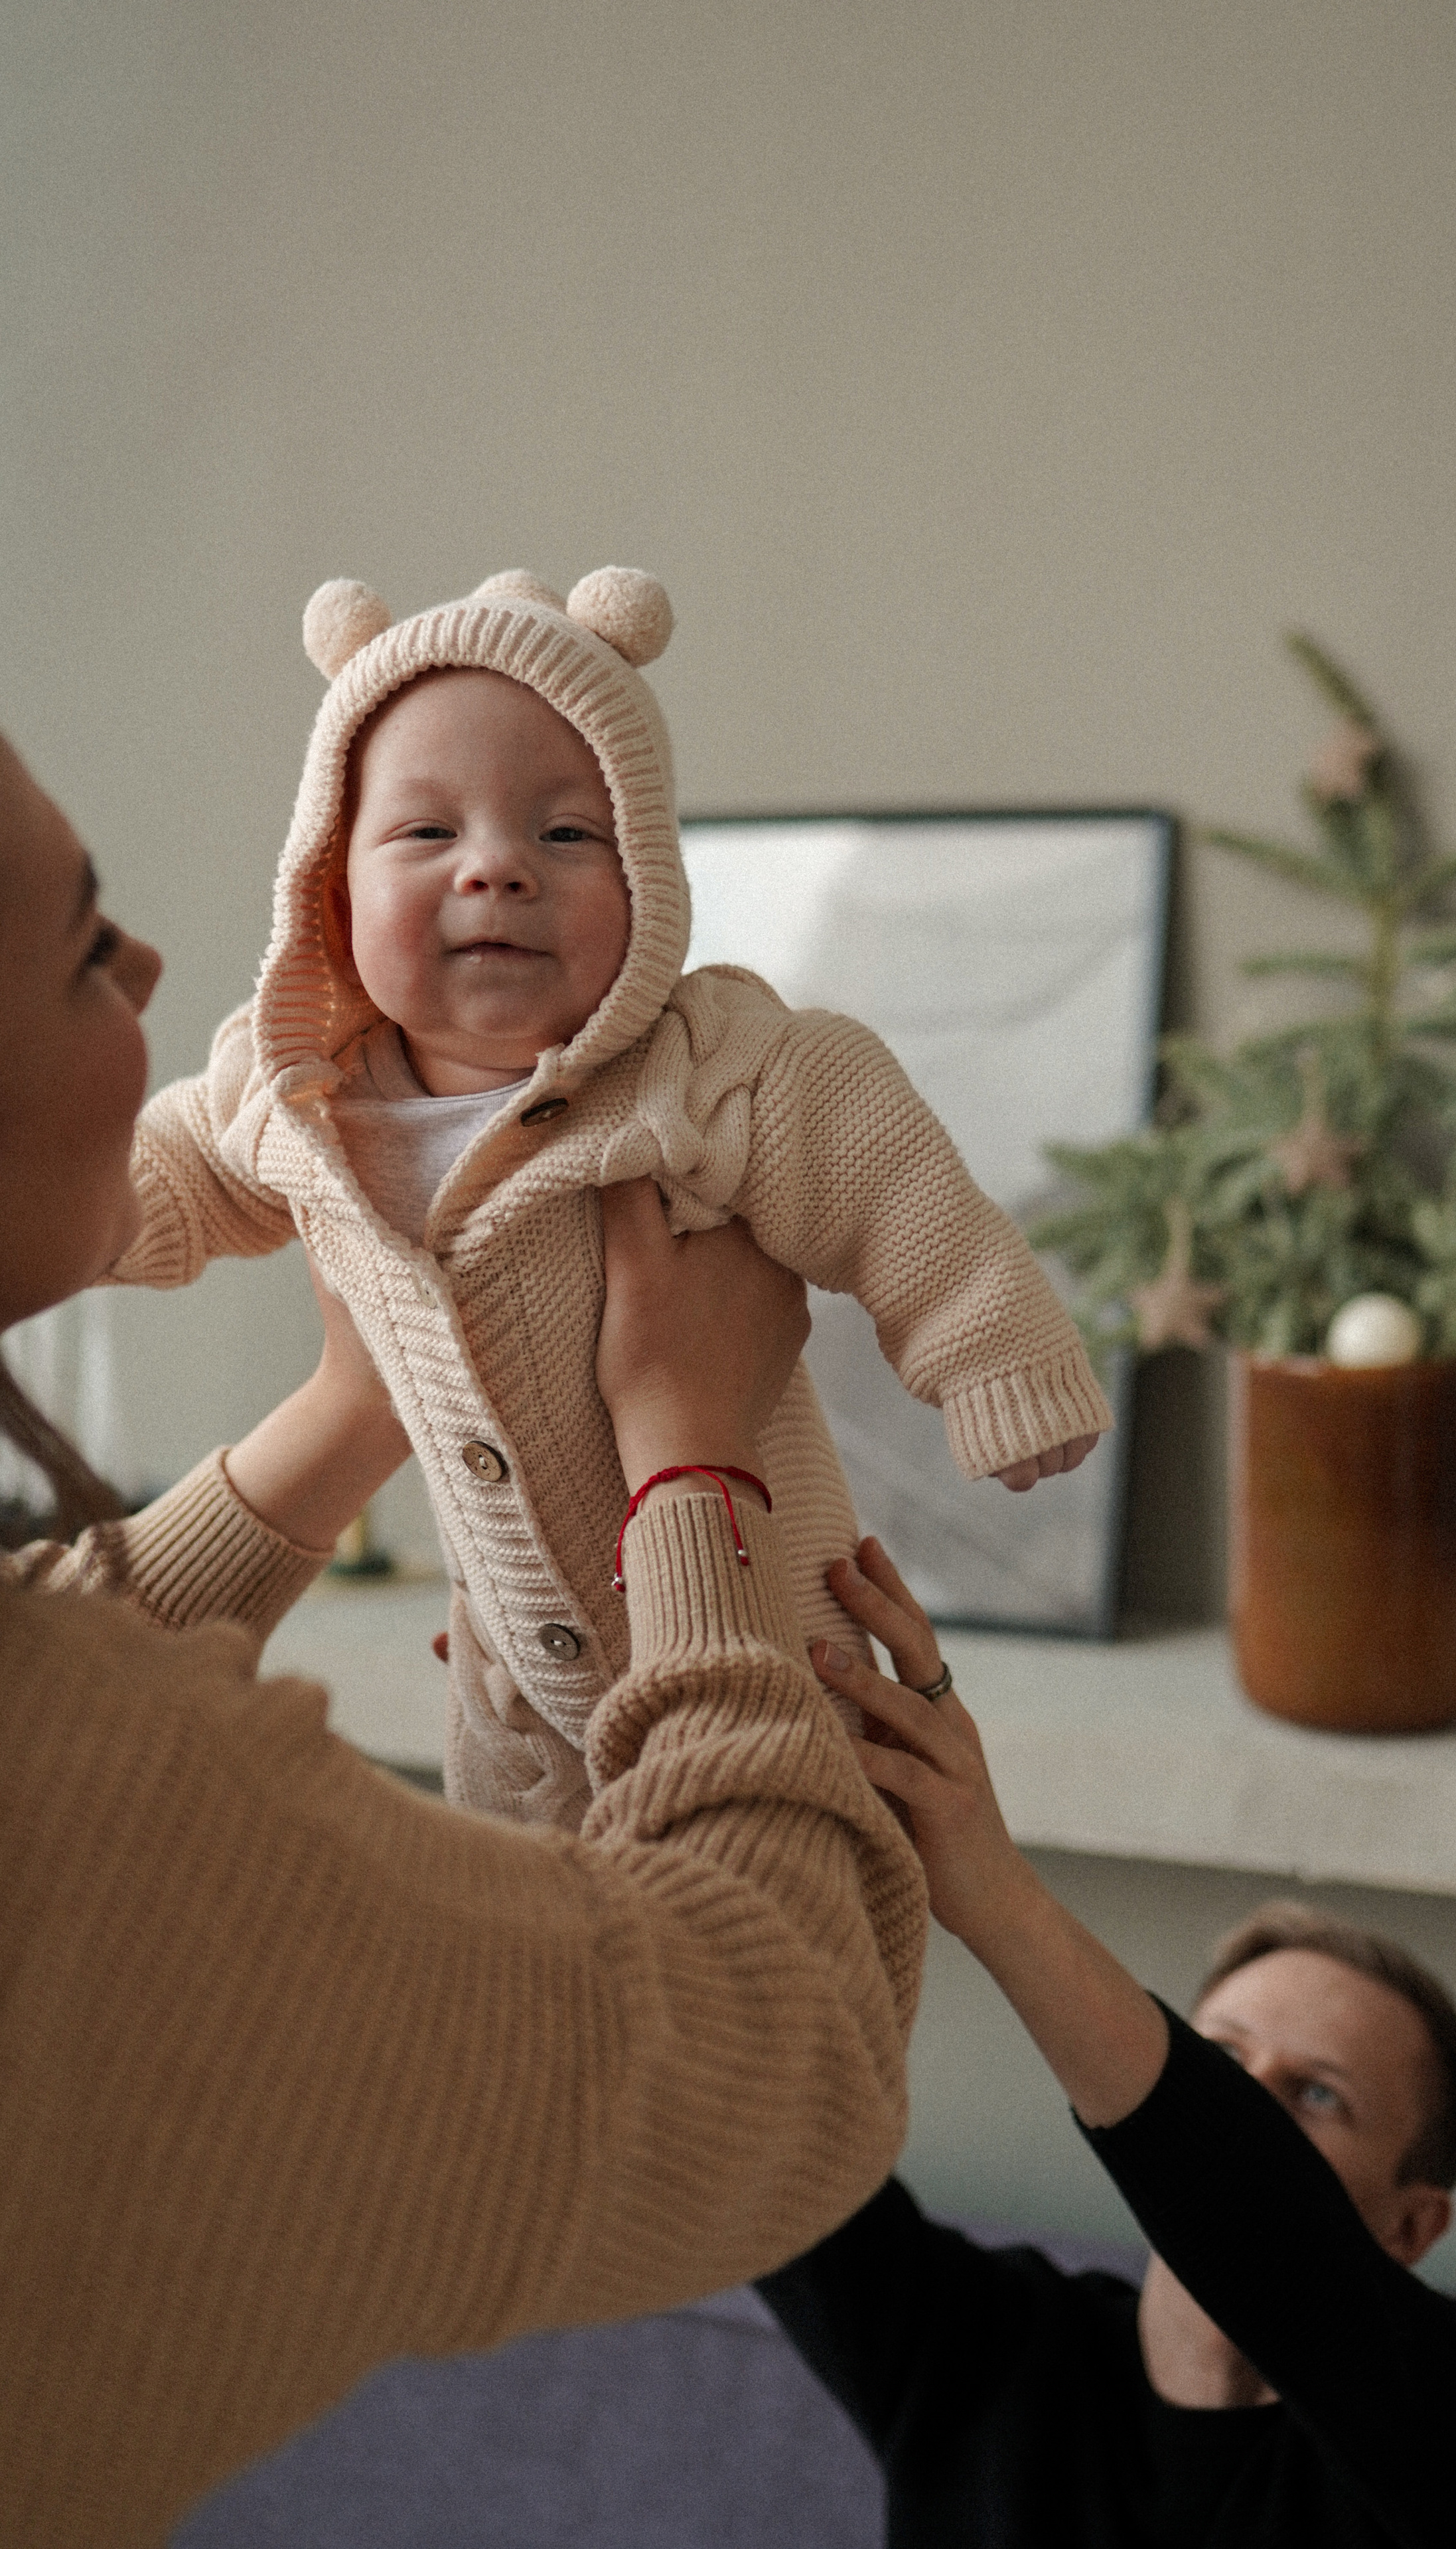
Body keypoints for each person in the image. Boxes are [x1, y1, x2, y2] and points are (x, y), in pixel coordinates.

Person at [0, 730, 928, 2549]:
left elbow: (59, 1659)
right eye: (83, 946)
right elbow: (773, 2047)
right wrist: (688, 1456)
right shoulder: (105, 1832)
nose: (155, 975)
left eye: (562, 832)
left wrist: (366, 1399)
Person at [104, 562, 1108, 1830]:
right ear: (328, 884)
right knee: (545, 1971)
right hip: (520, 1701)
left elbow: (879, 1162)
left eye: (566, 834)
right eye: (426, 833)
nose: (496, 870)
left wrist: (993, 1355)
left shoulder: (705, 1068)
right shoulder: (298, 1090)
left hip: (771, 1642)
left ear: (648, 884)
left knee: (795, 1943)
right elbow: (157, 1173)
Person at [756, 1541, 1456, 2548]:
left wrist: (1002, 1903)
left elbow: (1246, 2206)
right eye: (1224, 2063)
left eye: (1320, 2096)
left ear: (1412, 2228)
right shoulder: (988, 2354)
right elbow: (750, 2116)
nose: (1251, 2107)